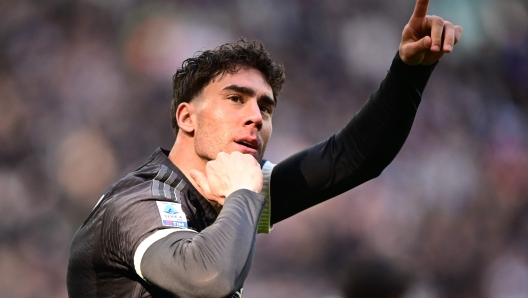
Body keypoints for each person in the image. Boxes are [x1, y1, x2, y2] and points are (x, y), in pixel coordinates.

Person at [67, 0, 462, 297]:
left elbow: (354, 158)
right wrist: (242, 194)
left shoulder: (227, 192)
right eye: (236, 99)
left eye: (265, 106)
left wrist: (410, 71)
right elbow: (208, 278)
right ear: (187, 118)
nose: (256, 116)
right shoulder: (139, 204)